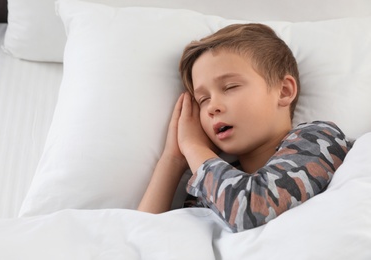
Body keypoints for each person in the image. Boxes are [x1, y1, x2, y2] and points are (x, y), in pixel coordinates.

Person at [138, 23, 352, 232]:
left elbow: (249, 209)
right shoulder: (208, 187)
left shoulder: (319, 138)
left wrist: (193, 146)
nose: (212, 107)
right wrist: (173, 159)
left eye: (230, 87)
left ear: (284, 91)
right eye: (203, 100)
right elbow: (138, 239)